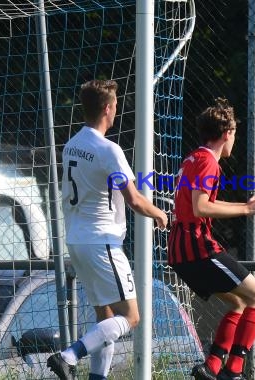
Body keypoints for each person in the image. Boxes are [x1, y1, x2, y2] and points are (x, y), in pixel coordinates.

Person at [47, 79, 168, 380]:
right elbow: (135, 200)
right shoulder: (109, 150)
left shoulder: (71, 145)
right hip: (102, 242)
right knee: (132, 316)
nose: (116, 111)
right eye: (115, 105)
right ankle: (68, 355)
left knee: (106, 318)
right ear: (107, 108)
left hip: (76, 240)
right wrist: (160, 214)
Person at [168, 98, 255, 380]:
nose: (234, 140)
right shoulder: (207, 162)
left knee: (240, 304)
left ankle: (212, 367)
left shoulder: (193, 158)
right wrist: (247, 208)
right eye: (235, 134)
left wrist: (248, 203)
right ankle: (234, 371)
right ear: (227, 133)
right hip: (197, 248)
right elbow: (200, 207)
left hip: (181, 251)